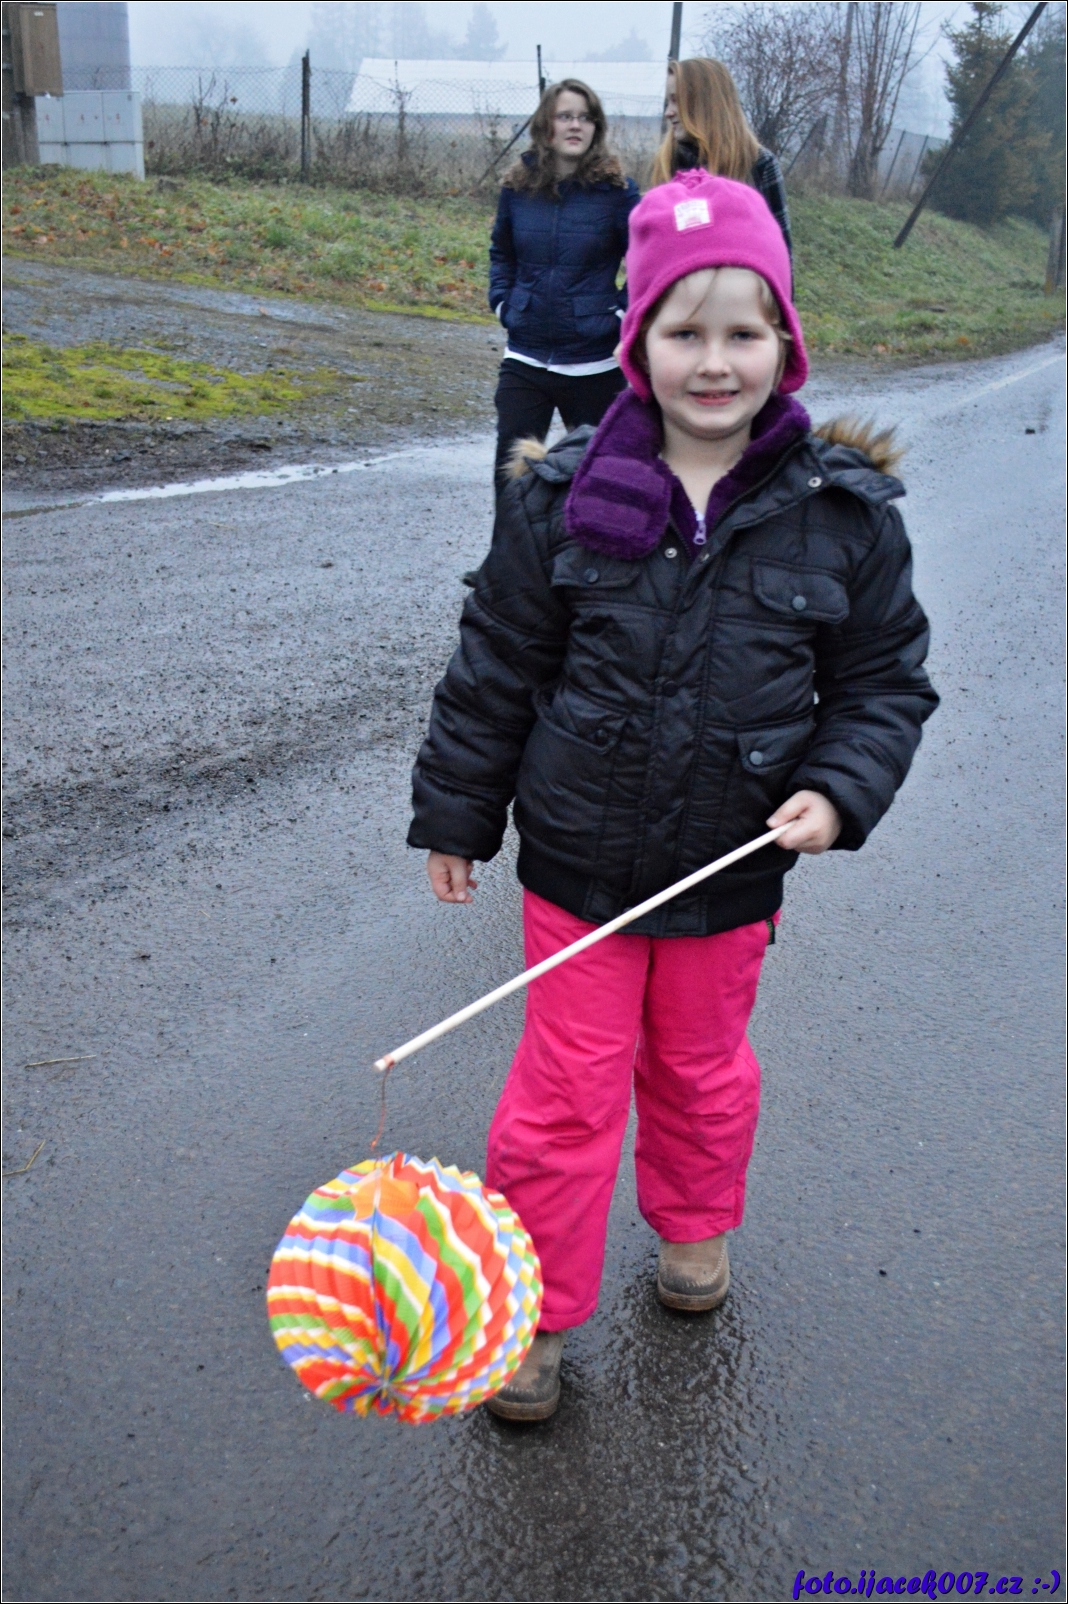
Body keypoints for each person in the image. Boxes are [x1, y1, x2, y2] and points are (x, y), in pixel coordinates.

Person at [408, 170, 937, 1421]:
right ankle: (533, 1308)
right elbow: (497, 664)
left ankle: (695, 1225)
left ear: (785, 343)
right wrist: (457, 812)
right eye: (684, 330)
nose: (715, 360)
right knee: (564, 1094)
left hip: (729, 869)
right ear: (636, 341)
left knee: (700, 1071)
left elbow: (883, 682)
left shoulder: (843, 516)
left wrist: (837, 790)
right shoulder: (560, 497)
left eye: (743, 331)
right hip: (578, 869)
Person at [487, 78, 640, 491]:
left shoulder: (618, 193)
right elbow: (502, 253)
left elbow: (646, 262)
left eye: (585, 118)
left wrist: (620, 315)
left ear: (596, 128)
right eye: (565, 116)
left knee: (599, 482)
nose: (576, 125)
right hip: (526, 356)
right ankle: (510, 540)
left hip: (594, 361)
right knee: (511, 481)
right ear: (546, 125)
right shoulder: (516, 189)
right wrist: (503, 304)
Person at [654, 57, 792, 257]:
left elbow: (781, 257)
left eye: (676, 101)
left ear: (704, 103)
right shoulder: (667, 163)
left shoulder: (759, 164)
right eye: (668, 102)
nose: (668, 112)